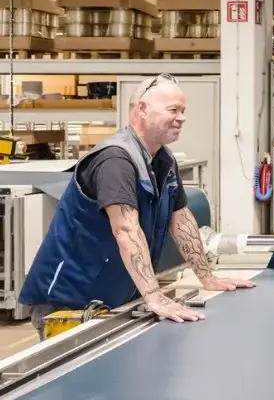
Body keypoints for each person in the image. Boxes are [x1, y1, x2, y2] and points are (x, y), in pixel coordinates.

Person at [19, 74, 255, 340]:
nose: (182, 117)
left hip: (112, 297)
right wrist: (154, 296)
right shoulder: (115, 161)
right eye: (173, 110)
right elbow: (126, 229)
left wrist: (206, 276)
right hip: (69, 301)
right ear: (142, 109)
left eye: (183, 110)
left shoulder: (162, 160)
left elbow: (181, 220)